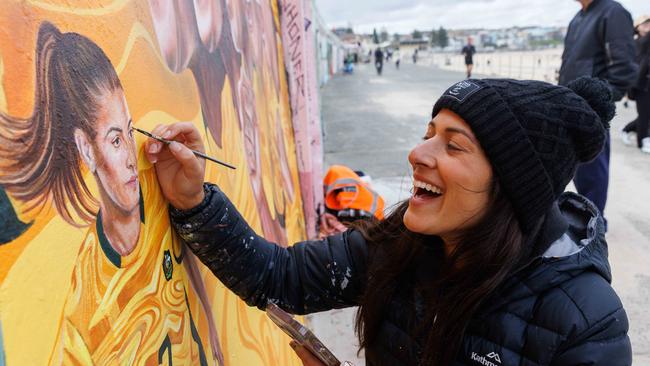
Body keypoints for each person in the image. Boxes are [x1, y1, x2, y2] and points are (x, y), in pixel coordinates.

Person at [145, 76, 631, 365]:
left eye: (453, 144)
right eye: (427, 134)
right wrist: (192, 200)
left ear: (510, 189)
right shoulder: (403, 242)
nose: (417, 153)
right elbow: (278, 276)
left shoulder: (584, 321)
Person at [0, 22, 223, 364]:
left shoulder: (155, 188)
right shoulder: (86, 297)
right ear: (86, 150)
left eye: (131, 132)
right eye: (116, 140)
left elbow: (193, 278)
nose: (132, 159)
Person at [558, 0, 638, 226]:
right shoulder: (578, 17)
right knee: (573, 167)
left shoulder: (613, 12)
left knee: (592, 169)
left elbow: (624, 68)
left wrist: (601, 99)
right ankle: (577, 216)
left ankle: (593, 224)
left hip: (593, 107)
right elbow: (569, 64)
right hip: (570, 102)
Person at [621, 15, 650, 153]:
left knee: (646, 115)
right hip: (639, 84)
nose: (647, 26)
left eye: (649, 23)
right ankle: (643, 141)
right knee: (644, 114)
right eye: (644, 24)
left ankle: (627, 129)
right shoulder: (634, 43)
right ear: (637, 27)